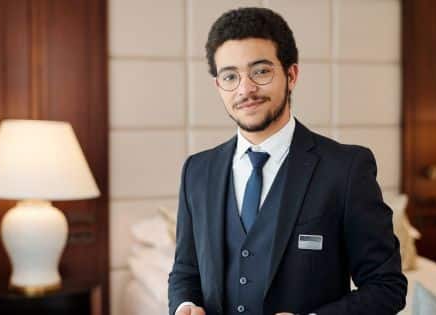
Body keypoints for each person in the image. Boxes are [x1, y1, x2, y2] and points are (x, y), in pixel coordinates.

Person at [168, 7, 407, 315]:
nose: (245, 89)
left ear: (291, 75)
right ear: (218, 86)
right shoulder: (196, 171)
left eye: (261, 71)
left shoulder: (346, 169)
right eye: (230, 76)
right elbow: (185, 270)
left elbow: (387, 286)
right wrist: (184, 306)